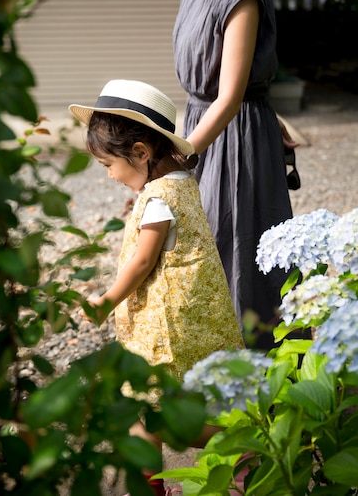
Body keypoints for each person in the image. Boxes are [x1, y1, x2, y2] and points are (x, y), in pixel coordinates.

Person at [146, 0, 299, 349]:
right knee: (198, 247)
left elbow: (231, 94)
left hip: (230, 137)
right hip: (203, 124)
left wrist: (180, 156)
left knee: (235, 247)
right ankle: (204, 369)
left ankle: (253, 381)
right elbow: (215, 80)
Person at [69, 79, 244, 496]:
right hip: (183, 316)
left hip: (165, 326)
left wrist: (107, 301)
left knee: (156, 413)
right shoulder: (178, 183)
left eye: (109, 165)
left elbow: (144, 260)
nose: (110, 176)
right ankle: (149, 485)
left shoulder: (159, 201)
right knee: (141, 406)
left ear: (142, 153)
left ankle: (243, 449)